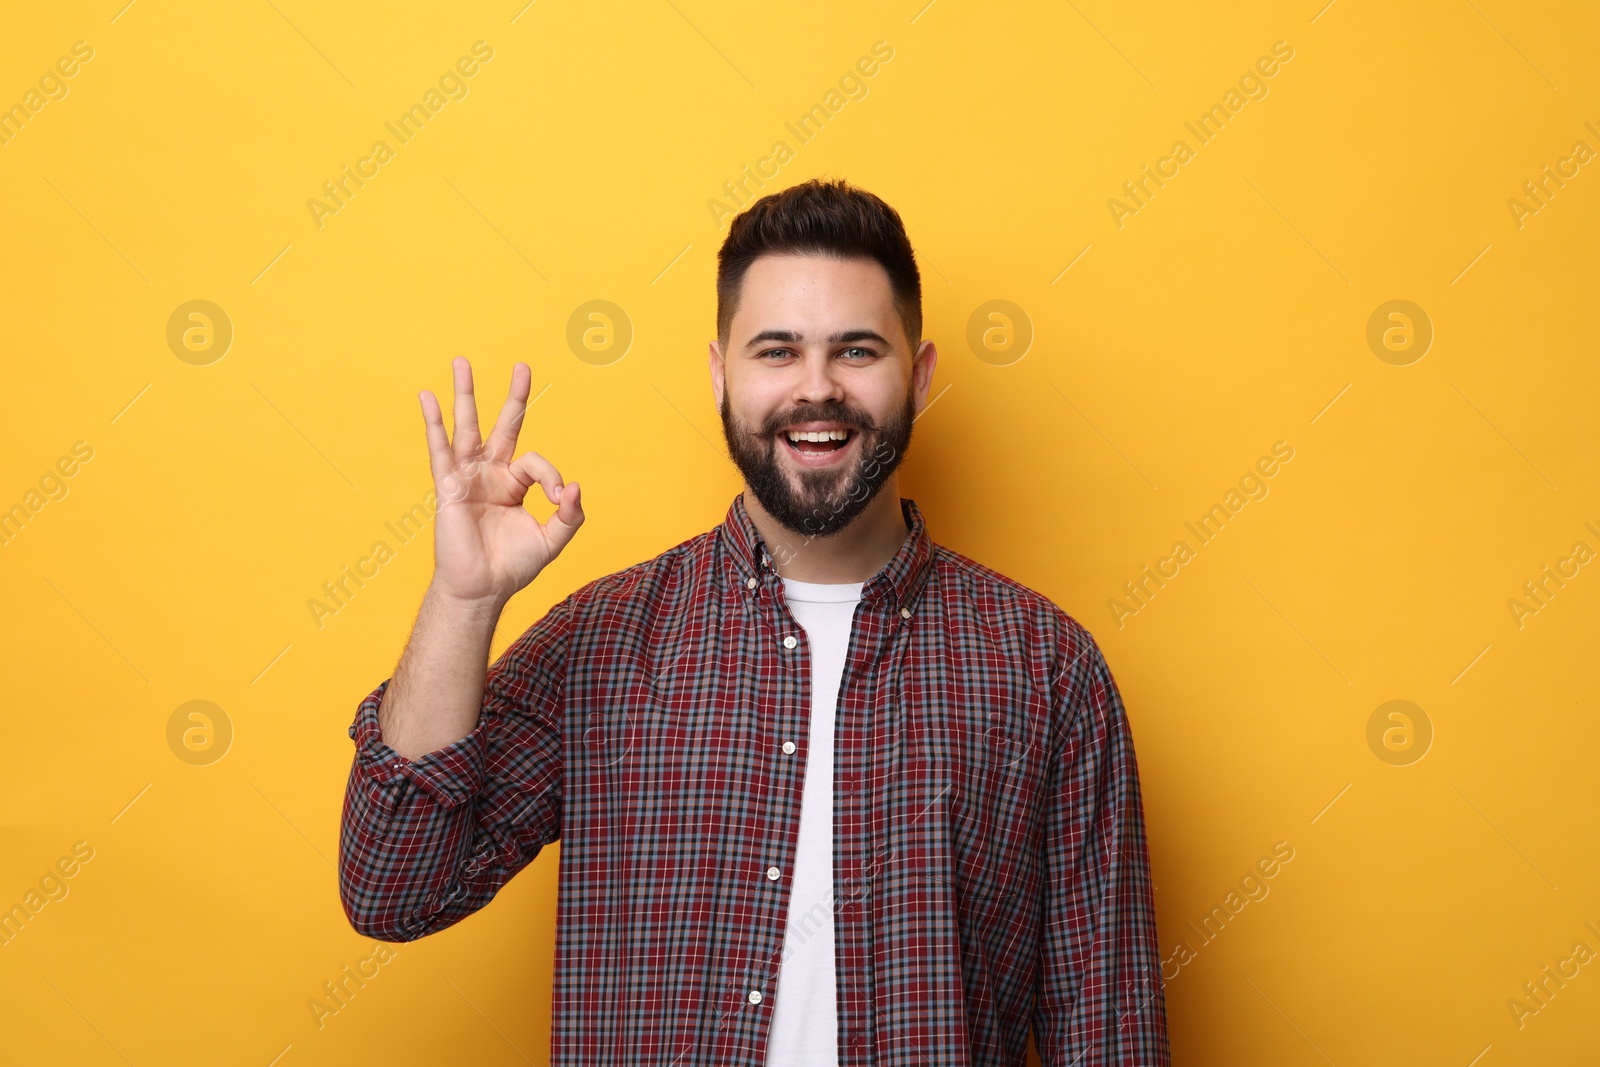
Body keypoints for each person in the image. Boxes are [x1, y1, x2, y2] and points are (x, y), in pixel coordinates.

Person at [338, 178, 1170, 1066]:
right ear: (719, 373)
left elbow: (1109, 1030)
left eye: (856, 350)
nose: (817, 390)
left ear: (919, 375)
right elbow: (394, 888)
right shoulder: (606, 643)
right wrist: (464, 603)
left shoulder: (1044, 668)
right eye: (777, 351)